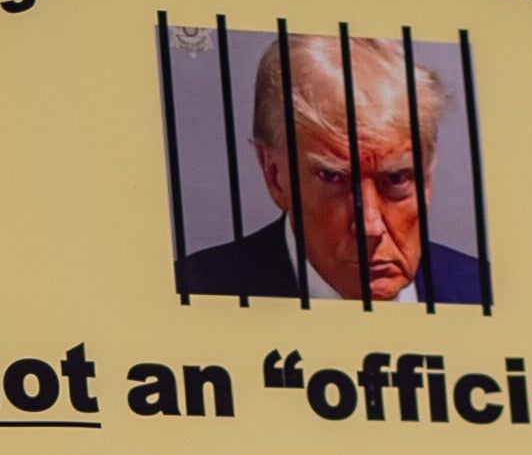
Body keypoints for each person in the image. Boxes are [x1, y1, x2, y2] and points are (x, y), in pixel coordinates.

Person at [180, 27, 487, 305]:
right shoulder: (190, 295)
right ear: (274, 177)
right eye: (333, 177)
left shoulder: (483, 292)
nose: (370, 227)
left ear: (427, 179)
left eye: (395, 178)